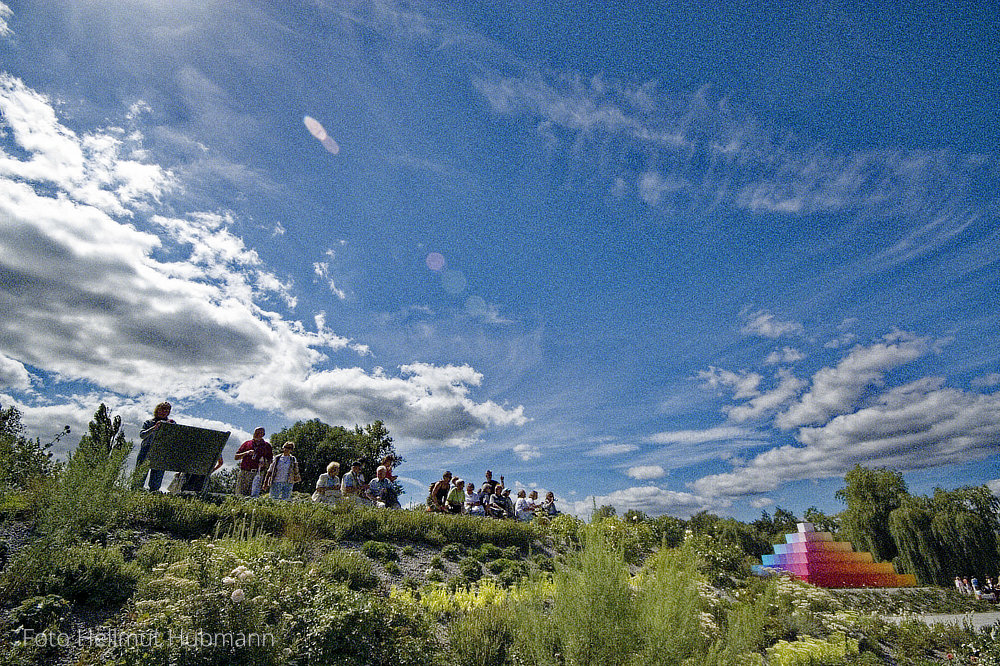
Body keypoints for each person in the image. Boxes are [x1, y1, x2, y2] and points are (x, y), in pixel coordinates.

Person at [135, 401, 175, 492]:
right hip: (146, 450)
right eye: (163, 409)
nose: (165, 412)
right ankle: (135, 493)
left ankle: (152, 496)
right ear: (157, 410)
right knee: (139, 476)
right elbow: (142, 435)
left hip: (161, 452)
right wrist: (154, 428)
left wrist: (170, 426)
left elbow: (175, 438)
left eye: (167, 410)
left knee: (156, 480)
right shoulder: (149, 422)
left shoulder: (171, 423)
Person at [234, 428, 273, 496]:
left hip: (258, 473)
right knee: (240, 494)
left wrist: (265, 463)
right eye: (256, 433)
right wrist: (246, 453)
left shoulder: (267, 446)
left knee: (254, 494)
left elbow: (270, 460)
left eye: (259, 433)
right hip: (245, 472)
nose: (256, 434)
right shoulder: (247, 443)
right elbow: (236, 457)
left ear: (263, 434)